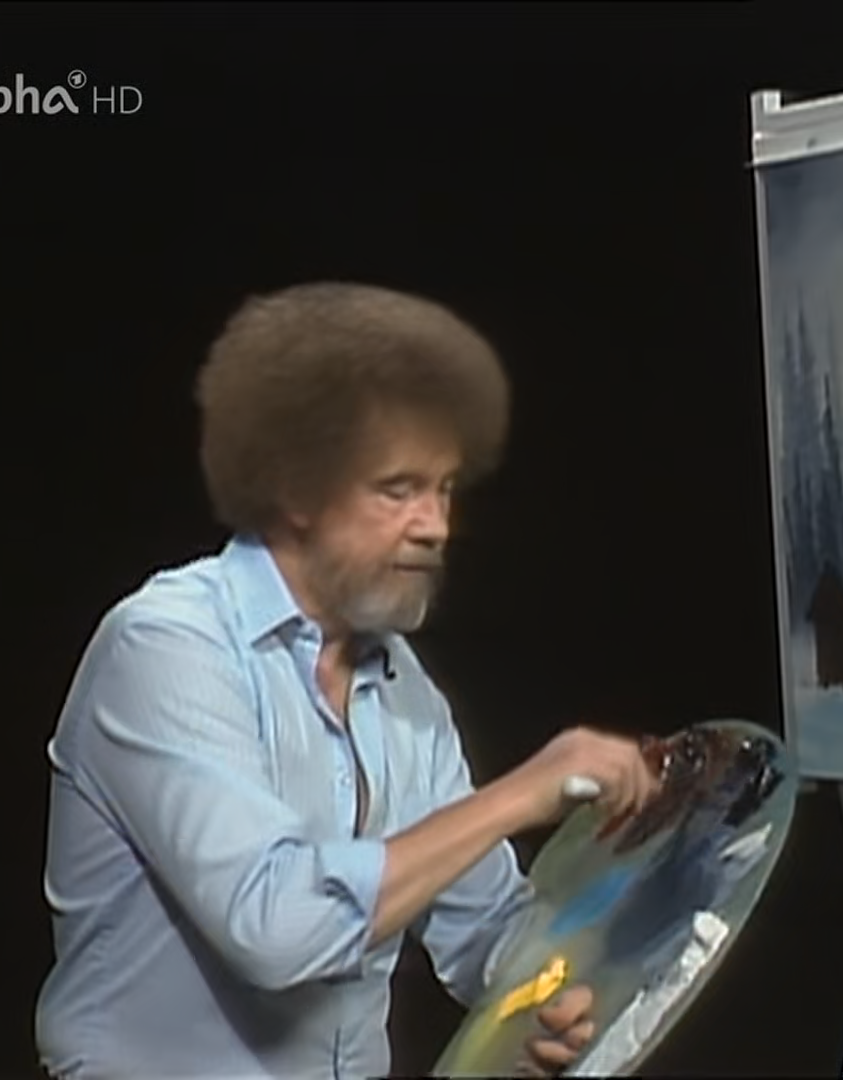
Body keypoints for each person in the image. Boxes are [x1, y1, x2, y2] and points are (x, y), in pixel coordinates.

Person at [33, 282, 662, 1079]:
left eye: (444, 490)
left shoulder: (404, 691)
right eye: (398, 489)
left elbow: (482, 930)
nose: (436, 526)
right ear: (295, 489)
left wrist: (551, 992)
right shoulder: (166, 647)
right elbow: (274, 928)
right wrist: (524, 792)